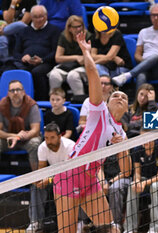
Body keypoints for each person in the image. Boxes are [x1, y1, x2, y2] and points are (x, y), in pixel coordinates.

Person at [53, 31, 130, 233]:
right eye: (116, 95)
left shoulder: (121, 132)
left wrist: (123, 147)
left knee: (110, 230)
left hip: (91, 180)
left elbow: (126, 170)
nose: (119, 97)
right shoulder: (99, 111)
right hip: (70, 174)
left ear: (128, 108)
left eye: (124, 96)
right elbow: (92, 73)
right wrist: (86, 52)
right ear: (108, 100)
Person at [0, 80, 42, 232]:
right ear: (8, 93)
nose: (15, 93)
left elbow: (36, 130)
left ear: (24, 92)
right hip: (9, 137)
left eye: (18, 90)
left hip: (26, 138)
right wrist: (12, 135)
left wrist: (20, 137)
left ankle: (36, 178)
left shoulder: (32, 105)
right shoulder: (2, 105)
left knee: (35, 143)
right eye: (12, 90)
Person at [124, 129, 158, 233]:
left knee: (155, 187)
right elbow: (137, 172)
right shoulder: (137, 150)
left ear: (154, 138)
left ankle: (156, 228)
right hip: (147, 179)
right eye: (143, 139)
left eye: (148, 139)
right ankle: (130, 228)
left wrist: (143, 183)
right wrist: (137, 181)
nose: (145, 142)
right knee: (132, 186)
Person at [27, 122, 75, 232]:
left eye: (52, 137)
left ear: (59, 136)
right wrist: (39, 179)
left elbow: (71, 172)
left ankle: (80, 222)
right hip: (53, 179)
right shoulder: (43, 147)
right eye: (46, 138)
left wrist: (48, 179)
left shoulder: (70, 146)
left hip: (71, 178)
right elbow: (42, 169)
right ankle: (36, 222)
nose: (49, 141)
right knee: (36, 187)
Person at [6, 5, 61, 101]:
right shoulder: (24, 31)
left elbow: (55, 52)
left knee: (37, 72)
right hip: (25, 63)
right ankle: (13, 101)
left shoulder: (54, 30)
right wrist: (23, 57)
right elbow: (16, 52)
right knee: (9, 69)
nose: (39, 19)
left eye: (41, 16)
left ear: (46, 16)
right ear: (31, 17)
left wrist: (42, 60)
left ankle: (41, 102)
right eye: (36, 17)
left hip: (45, 62)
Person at [112, 3, 158, 89]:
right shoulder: (143, 32)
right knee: (141, 75)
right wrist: (146, 62)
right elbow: (137, 54)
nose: (155, 18)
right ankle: (138, 101)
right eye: (153, 15)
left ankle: (127, 75)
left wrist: (153, 60)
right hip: (145, 65)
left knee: (154, 57)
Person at [49, 15, 93, 97]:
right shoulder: (64, 36)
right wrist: (76, 57)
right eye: (75, 27)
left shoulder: (88, 36)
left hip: (82, 66)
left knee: (73, 76)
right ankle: (55, 101)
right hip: (67, 66)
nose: (78, 29)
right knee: (54, 75)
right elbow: (58, 57)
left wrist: (82, 58)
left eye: (80, 26)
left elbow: (90, 57)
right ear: (69, 28)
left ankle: (80, 100)